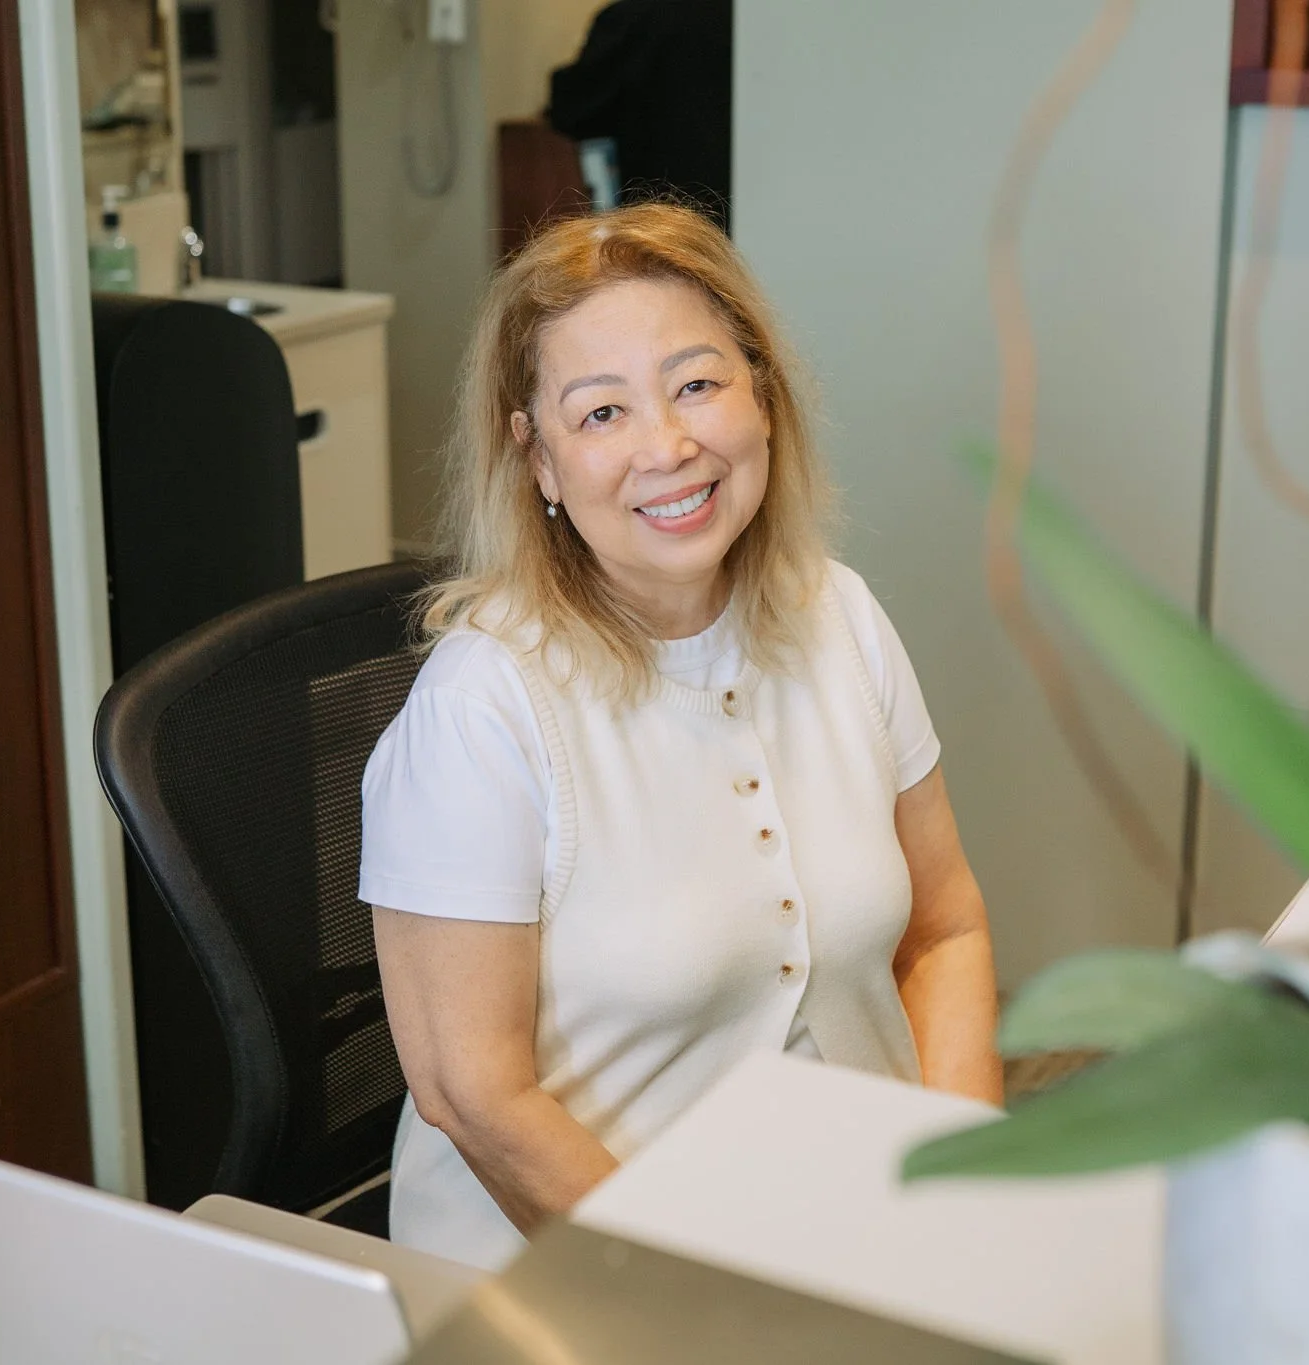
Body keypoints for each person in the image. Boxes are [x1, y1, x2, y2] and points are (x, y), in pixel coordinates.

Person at [360, 203, 1001, 1271]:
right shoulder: (485, 705)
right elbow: (472, 1096)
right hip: (588, 1275)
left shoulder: (836, 615)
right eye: (600, 413)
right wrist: (697, 1308)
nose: (667, 445)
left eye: (697, 384)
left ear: (762, 397)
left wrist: (962, 1185)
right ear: (539, 461)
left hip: (848, 1229)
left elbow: (943, 931)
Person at [544, 0, 732, 229]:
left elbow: (572, 109)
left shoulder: (633, 18)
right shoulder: (751, 17)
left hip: (657, 211)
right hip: (746, 206)